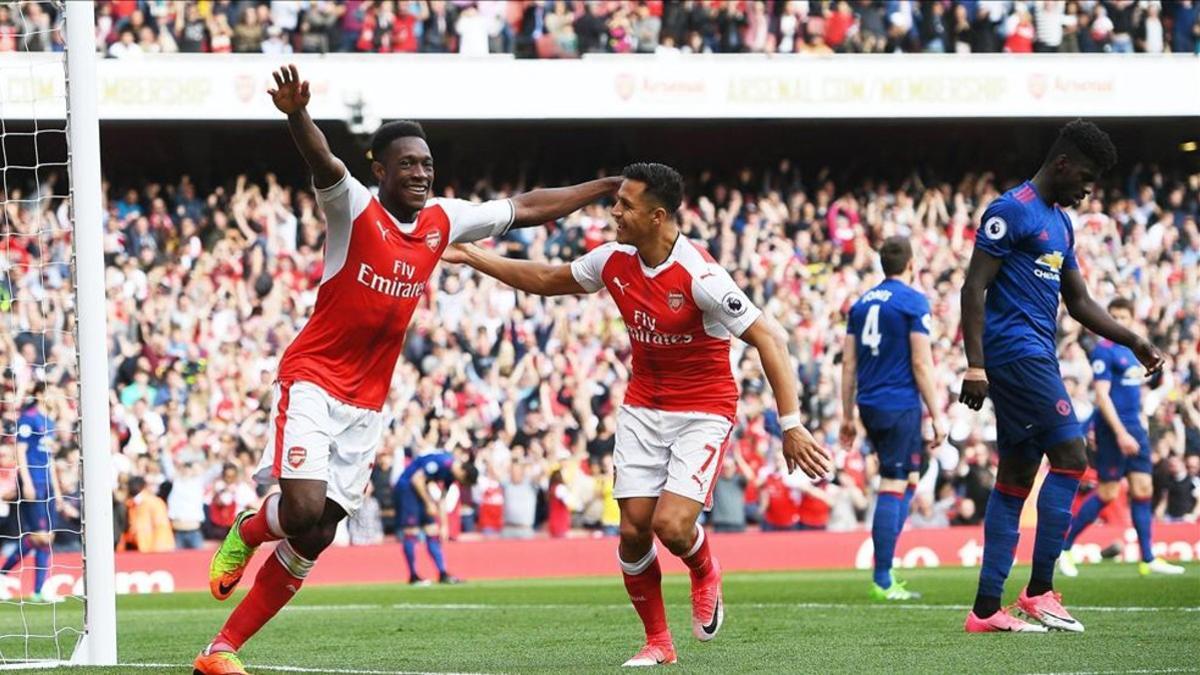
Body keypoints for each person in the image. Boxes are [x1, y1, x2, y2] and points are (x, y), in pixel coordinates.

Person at [193, 64, 623, 675]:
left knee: (318, 536)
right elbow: (323, 164)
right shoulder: (353, 209)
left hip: (367, 402)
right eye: (406, 164)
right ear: (380, 170)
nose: (420, 173)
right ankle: (249, 526)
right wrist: (296, 115)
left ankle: (220, 651)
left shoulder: (443, 219)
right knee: (298, 514)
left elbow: (524, 208)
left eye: (426, 163)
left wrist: (601, 186)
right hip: (314, 379)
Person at [444, 162, 831, 667]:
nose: (614, 212)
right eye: (616, 201)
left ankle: (704, 570)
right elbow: (546, 277)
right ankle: (658, 643)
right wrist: (474, 256)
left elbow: (770, 338)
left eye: (625, 204)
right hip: (644, 405)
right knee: (631, 531)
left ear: (658, 216)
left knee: (671, 527)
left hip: (702, 410)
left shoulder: (702, 275)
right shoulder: (613, 260)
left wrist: (792, 424)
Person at [958, 119, 1164, 634]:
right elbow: (972, 286)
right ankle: (1040, 590)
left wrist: (1133, 339)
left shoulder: (1059, 223)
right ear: (1063, 164)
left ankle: (985, 610)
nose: (1088, 190)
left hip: (1038, 354)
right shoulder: (1013, 209)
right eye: (1086, 177)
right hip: (1014, 353)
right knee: (1072, 456)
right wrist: (975, 363)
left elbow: (1079, 302)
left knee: (1016, 478)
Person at [840, 236, 946, 601]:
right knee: (893, 483)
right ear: (912, 264)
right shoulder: (913, 301)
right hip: (899, 402)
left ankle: (887, 568)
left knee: (910, 477)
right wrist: (937, 415)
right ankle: (883, 579)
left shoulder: (861, 303)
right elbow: (921, 362)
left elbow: (849, 364)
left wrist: (846, 415)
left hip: (870, 402)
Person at [1059, 299, 1184, 577]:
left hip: (1134, 427)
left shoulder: (1132, 351)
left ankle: (1148, 558)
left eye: (1123, 316)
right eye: (1113, 316)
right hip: (1113, 430)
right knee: (1108, 492)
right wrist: (1121, 433)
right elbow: (1102, 396)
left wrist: (1138, 423)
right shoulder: (1104, 352)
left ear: (1132, 319)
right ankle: (1064, 549)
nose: (1118, 321)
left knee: (1143, 490)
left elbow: (1132, 391)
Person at [1, 386, 62, 601]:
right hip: (33, 482)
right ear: (39, 394)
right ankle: (33, 587)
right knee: (41, 537)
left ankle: (37, 590)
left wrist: (59, 491)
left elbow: (50, 459)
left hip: (47, 484)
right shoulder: (29, 419)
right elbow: (21, 451)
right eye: (50, 392)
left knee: (46, 538)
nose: (55, 396)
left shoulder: (50, 422)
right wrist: (26, 481)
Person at [393, 449, 477, 585]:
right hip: (406, 488)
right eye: (463, 481)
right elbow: (416, 479)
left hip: (420, 490)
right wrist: (428, 503)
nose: (461, 484)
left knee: (433, 530)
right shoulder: (442, 463)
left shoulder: (451, 475)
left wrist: (444, 525)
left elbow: (442, 499)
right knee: (411, 532)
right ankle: (413, 576)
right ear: (463, 472)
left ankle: (443, 573)